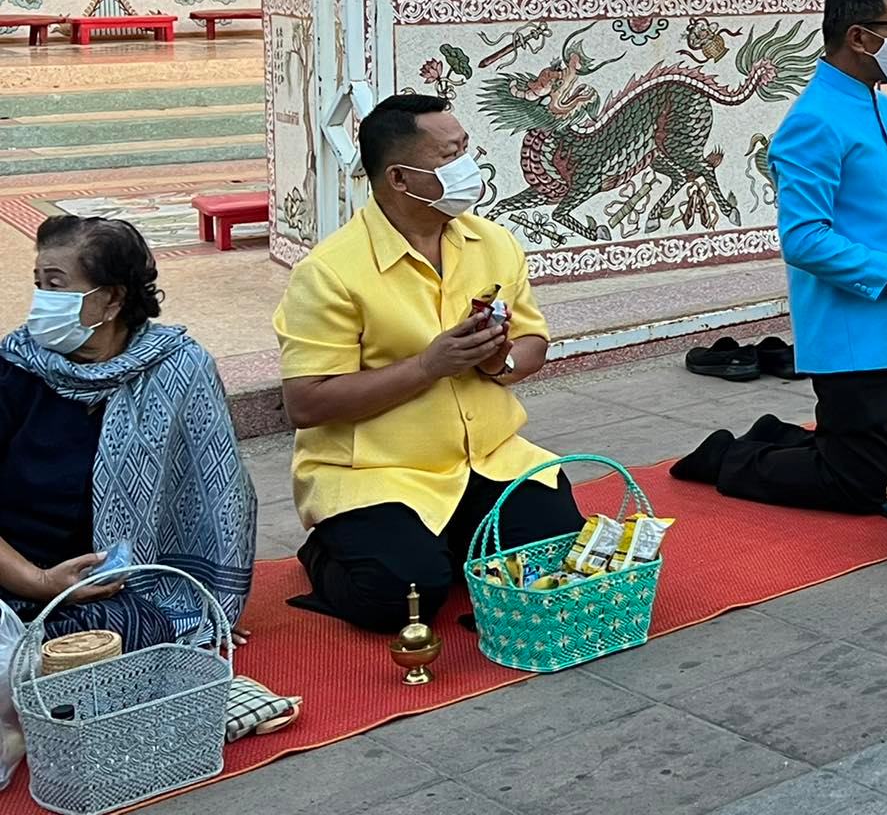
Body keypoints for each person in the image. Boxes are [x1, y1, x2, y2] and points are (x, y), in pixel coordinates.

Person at [275, 93, 581, 632]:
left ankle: (447, 545)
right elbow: (306, 402)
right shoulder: (329, 273)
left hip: (488, 460)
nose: (468, 166)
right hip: (378, 476)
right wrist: (427, 367)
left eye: (465, 148)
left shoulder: (493, 243)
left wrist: (499, 362)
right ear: (399, 178)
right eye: (449, 156)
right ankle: (325, 551)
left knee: (561, 558)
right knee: (402, 598)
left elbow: (533, 342)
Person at [671, 0, 887, 513]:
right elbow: (804, 239)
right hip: (854, 333)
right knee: (859, 487)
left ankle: (779, 435)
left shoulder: (883, 106)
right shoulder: (814, 120)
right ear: (860, 37)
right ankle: (727, 457)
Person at [2, 217, 254, 645]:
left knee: (132, 628)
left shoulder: (179, 368)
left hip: (108, 589)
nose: (42, 300)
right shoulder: (14, 368)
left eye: (56, 284)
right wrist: (40, 582)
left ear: (112, 299)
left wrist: (208, 598)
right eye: (39, 283)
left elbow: (216, 495)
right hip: (14, 573)